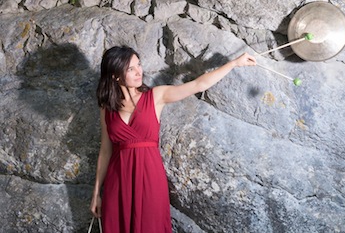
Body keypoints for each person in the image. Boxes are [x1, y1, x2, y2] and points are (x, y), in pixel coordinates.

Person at [90, 45, 257, 233]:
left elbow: (198, 85)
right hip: (117, 182)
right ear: (115, 75)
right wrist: (96, 193)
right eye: (131, 69)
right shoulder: (107, 107)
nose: (139, 72)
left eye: (139, 65)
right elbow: (105, 151)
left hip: (150, 178)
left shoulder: (156, 96)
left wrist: (234, 63)